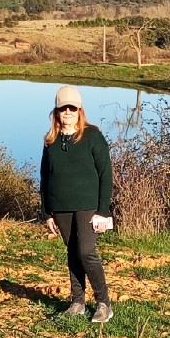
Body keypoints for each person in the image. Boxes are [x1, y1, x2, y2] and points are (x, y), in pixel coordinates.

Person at [40, 85, 114, 323]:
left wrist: (102, 211)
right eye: (64, 108)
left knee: (86, 252)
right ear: (56, 111)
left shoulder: (92, 136)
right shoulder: (50, 141)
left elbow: (106, 175)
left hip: (88, 206)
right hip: (60, 207)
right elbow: (45, 178)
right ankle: (77, 302)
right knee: (72, 253)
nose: (68, 112)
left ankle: (104, 303)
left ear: (79, 110)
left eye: (72, 108)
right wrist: (47, 213)